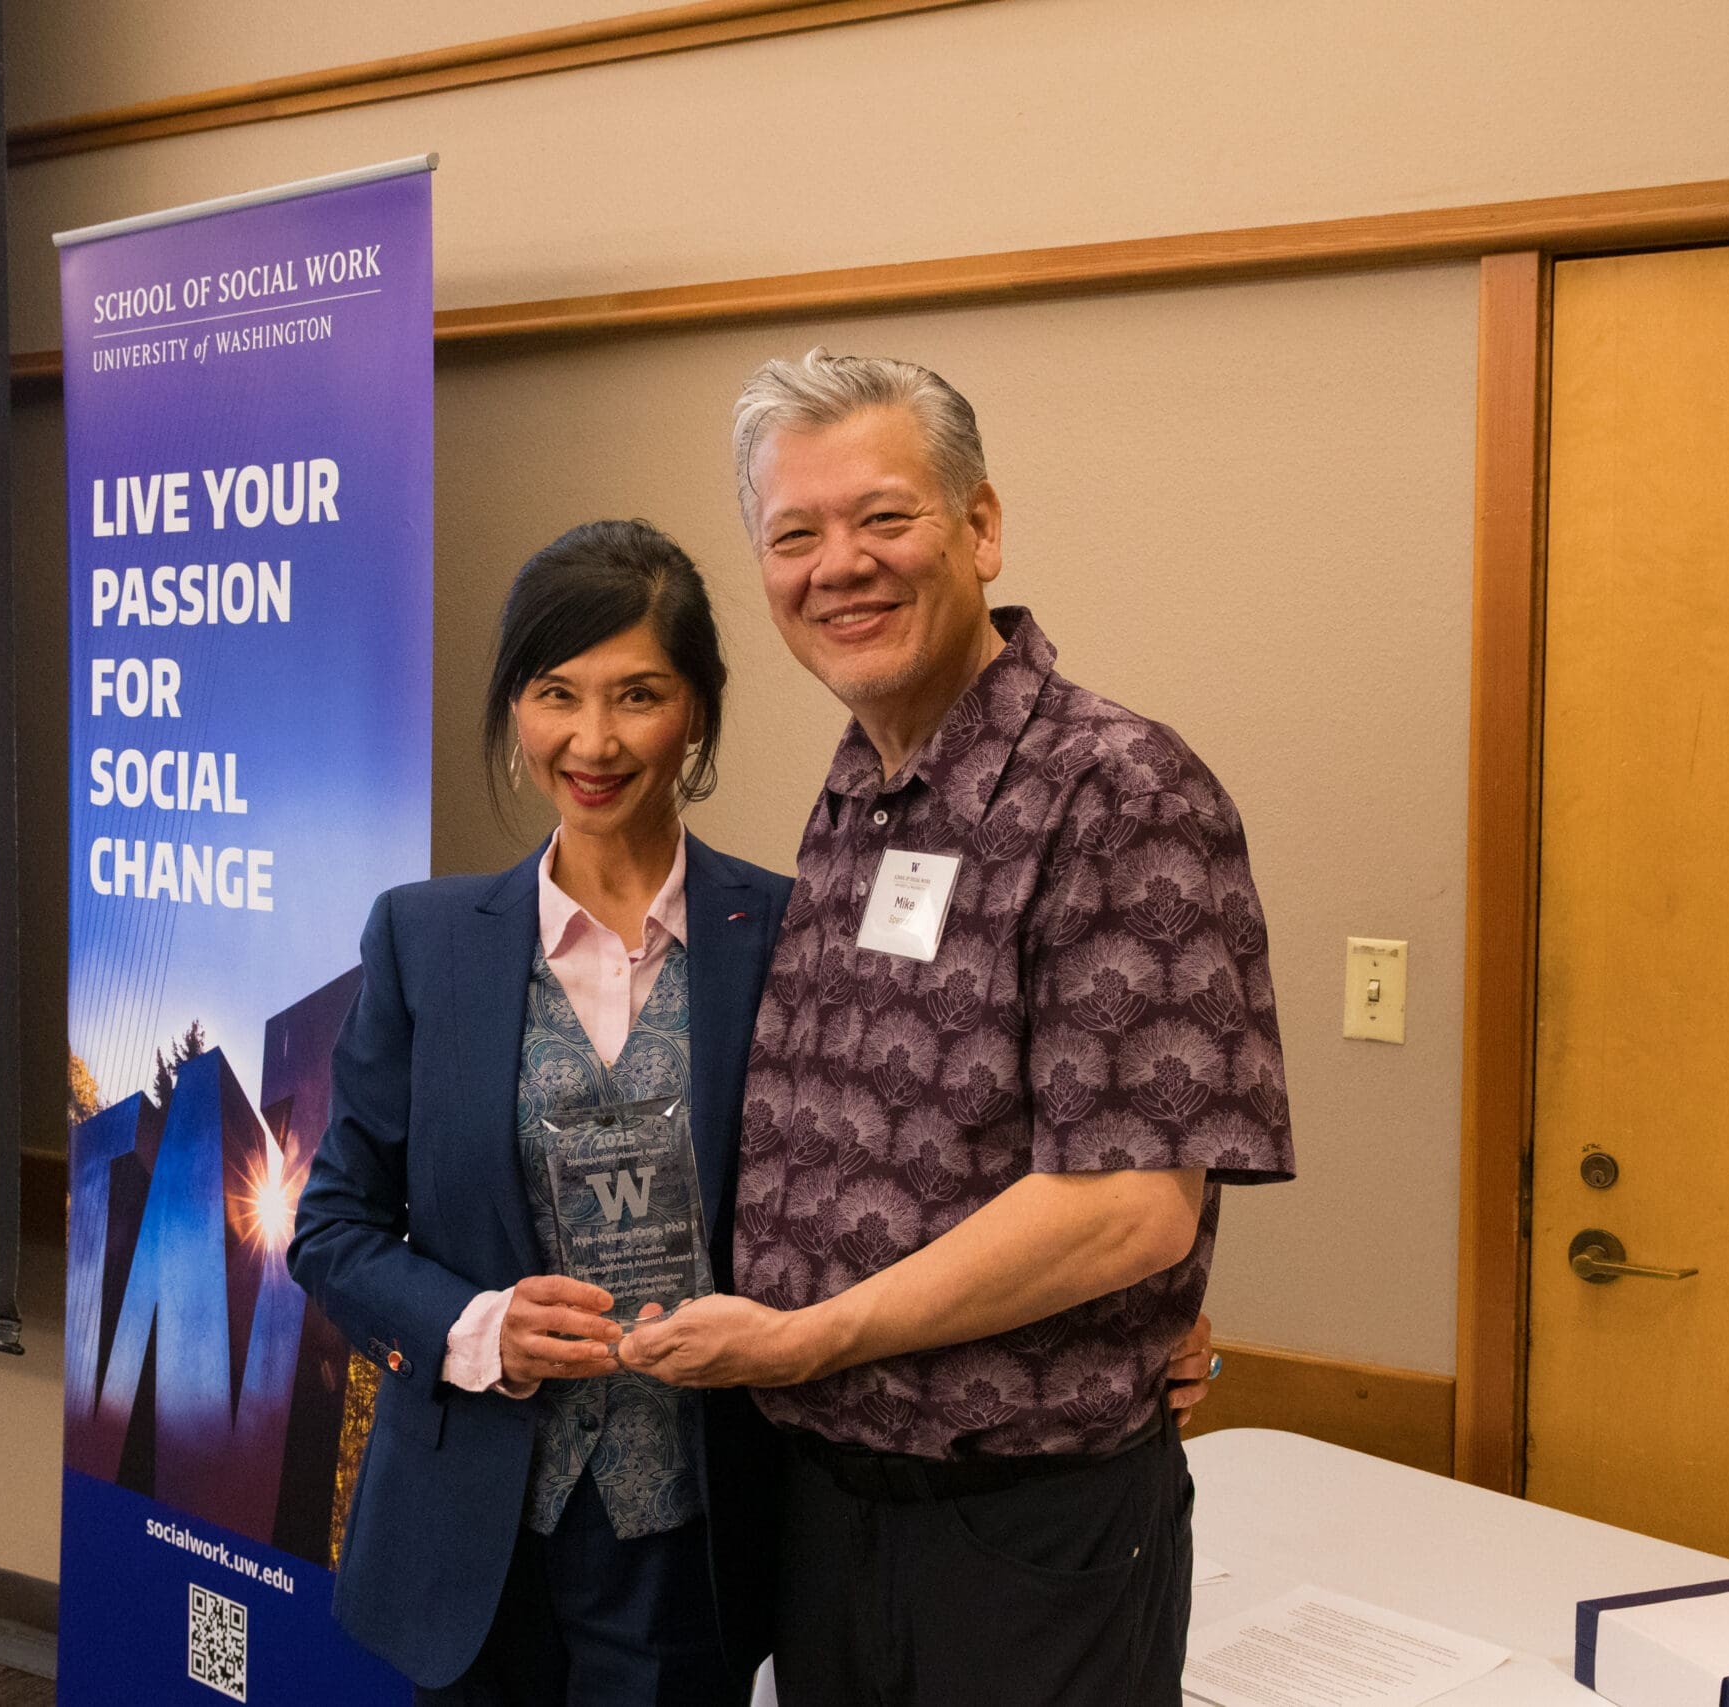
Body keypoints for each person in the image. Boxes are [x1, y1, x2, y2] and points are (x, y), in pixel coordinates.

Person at [621, 352, 1295, 1707]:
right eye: (794, 535)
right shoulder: (856, 793)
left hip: (1020, 1535)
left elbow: (1129, 1211)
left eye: (884, 517)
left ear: (980, 527)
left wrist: (811, 1338)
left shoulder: (1118, 790)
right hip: (830, 1514)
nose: (839, 565)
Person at [288, 519, 793, 1706]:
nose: (593, 740)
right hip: (473, 1527)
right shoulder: (422, 941)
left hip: (693, 1539)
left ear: (698, 712)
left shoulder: (785, 936)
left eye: (638, 695)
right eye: (554, 693)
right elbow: (332, 1230)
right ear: (515, 705)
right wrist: (480, 1328)